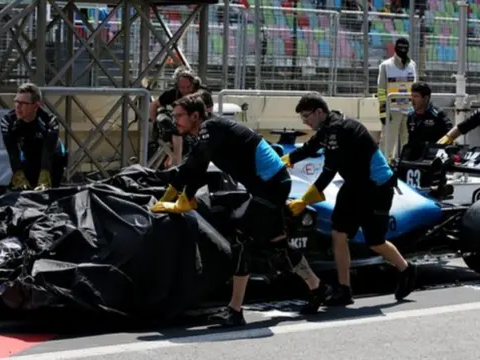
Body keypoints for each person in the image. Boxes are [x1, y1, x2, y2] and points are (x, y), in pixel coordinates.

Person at [151, 94, 330, 327]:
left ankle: (234, 310)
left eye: (179, 116)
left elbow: (199, 167)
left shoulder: (210, 128)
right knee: (277, 242)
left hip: (271, 186)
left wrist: (185, 199)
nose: (175, 121)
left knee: (241, 240)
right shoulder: (205, 133)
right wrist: (165, 199)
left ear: (195, 116)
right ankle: (318, 287)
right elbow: (189, 168)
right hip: (270, 185)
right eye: (174, 116)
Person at [281, 93, 417, 305]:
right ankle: (344, 289)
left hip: (376, 186)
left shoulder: (339, 129)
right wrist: (285, 160)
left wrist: (305, 200)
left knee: (375, 242)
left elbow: (329, 170)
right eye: (302, 119)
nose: (305, 122)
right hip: (355, 184)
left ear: (319, 112)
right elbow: (310, 148)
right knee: (339, 232)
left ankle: (406, 270)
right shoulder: (327, 127)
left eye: (307, 116)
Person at [0, 82, 67, 191]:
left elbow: (48, 152)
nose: (18, 106)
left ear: (35, 106)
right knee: (24, 188)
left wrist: (45, 178)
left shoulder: (49, 121)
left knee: (48, 190)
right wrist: (18, 175)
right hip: (29, 155)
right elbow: (12, 151)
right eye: (16, 102)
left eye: (23, 103)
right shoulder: (8, 121)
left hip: (53, 156)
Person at [149, 66, 207, 167]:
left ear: (193, 84)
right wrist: (154, 123)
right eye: (182, 88)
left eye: (188, 87)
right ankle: (177, 164)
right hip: (178, 129)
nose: (185, 90)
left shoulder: (201, 93)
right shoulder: (173, 93)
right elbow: (154, 105)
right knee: (176, 131)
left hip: (194, 127)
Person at [377, 37, 418, 161]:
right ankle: (385, 169)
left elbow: (416, 88)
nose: (403, 50)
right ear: (395, 48)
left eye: (405, 47)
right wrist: (383, 112)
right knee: (388, 144)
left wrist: (416, 110)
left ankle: (405, 168)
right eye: (400, 47)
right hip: (392, 111)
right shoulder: (386, 65)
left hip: (409, 110)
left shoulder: (412, 65)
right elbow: (381, 90)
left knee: (408, 144)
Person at [404, 81, 453, 158]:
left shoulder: (438, 116)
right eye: (412, 96)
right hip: (415, 160)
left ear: (426, 98)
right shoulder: (411, 116)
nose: (412, 100)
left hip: (433, 159)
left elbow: (449, 137)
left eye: (416, 96)